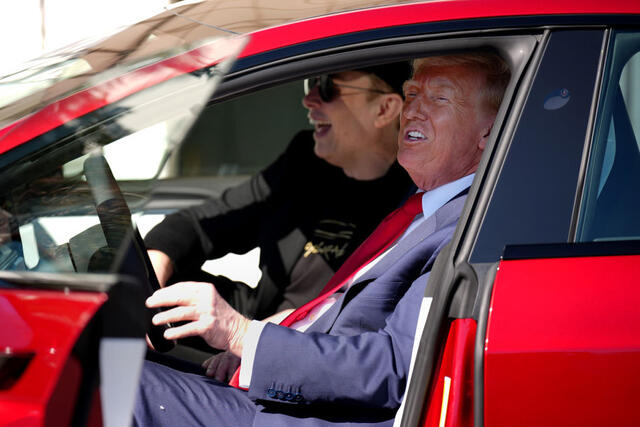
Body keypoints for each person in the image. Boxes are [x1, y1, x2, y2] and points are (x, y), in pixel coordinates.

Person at [133, 50, 511, 426]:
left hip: (308, 409)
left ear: (488, 131)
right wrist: (255, 339)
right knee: (121, 361)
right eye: (412, 94)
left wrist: (242, 334)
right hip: (278, 364)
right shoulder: (419, 205)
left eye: (440, 98)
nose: (412, 110)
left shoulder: (465, 227)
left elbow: (391, 367)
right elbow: (206, 226)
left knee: (119, 384)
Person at [144, 63, 415, 321]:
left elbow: (367, 324)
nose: (308, 99)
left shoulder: (416, 197)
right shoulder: (304, 162)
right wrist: (153, 271)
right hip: (253, 326)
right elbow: (202, 224)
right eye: (311, 83)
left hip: (310, 346)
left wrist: (265, 335)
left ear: (384, 109)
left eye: (327, 87)